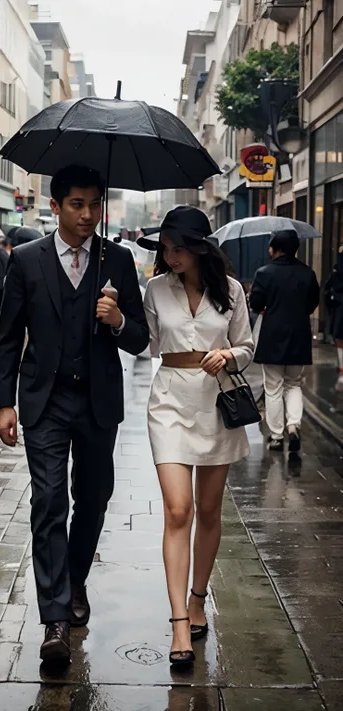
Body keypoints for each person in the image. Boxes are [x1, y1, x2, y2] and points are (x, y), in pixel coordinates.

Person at [0, 165, 149, 664]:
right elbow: (9, 336)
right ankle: (55, 619)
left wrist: (118, 318)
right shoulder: (28, 261)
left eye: (95, 204)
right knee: (49, 501)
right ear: (55, 206)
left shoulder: (117, 261)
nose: (88, 214)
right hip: (45, 400)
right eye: (77, 204)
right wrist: (3, 402)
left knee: (95, 497)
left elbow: (141, 338)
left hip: (99, 401)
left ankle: (74, 577)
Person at [143, 206, 253, 668]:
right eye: (165, 248)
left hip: (216, 404)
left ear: (200, 248)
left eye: (178, 247)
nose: (170, 255)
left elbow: (248, 348)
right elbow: (149, 345)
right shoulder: (154, 289)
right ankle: (178, 625)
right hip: (168, 403)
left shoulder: (230, 290)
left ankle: (198, 597)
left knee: (208, 510)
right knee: (178, 509)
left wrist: (227, 354)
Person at [250, 229, 320, 452]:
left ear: (275, 249)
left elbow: (255, 305)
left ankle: (277, 436)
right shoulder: (307, 273)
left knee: (273, 387)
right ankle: (293, 426)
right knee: (294, 383)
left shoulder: (264, 273)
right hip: (299, 333)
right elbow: (312, 303)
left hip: (272, 334)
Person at [324, 248, 343, 391]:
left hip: (340, 311)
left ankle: (342, 370)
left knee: (340, 341)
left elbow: (327, 292)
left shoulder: (336, 275)